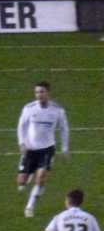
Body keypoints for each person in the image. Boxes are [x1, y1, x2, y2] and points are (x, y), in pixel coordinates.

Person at [17, 81, 70, 218]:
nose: (39, 95)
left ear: (48, 93)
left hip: (47, 150)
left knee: (41, 178)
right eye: (37, 92)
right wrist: (22, 143)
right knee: (21, 183)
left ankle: (30, 206)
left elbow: (64, 129)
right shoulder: (29, 108)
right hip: (29, 150)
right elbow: (21, 126)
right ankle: (27, 177)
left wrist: (65, 149)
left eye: (42, 92)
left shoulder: (57, 110)